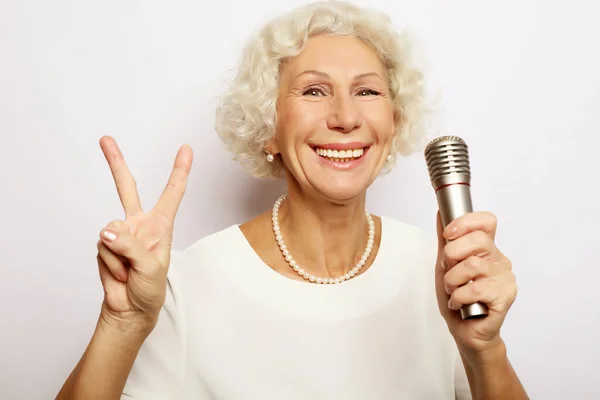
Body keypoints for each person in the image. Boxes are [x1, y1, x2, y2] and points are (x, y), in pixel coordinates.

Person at [56, 1, 528, 399]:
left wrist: (484, 349)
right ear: (269, 128)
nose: (346, 117)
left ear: (393, 120)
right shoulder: (187, 285)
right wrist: (124, 323)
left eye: (366, 91)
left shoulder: (450, 274)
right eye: (314, 91)